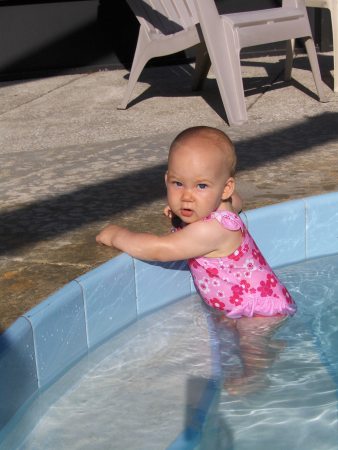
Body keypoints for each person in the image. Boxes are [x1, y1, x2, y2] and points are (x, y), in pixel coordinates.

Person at [96, 125, 296, 320]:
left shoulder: (211, 230)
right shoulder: (226, 206)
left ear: (225, 188)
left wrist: (116, 235)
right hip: (252, 304)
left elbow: (160, 249)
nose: (187, 197)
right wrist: (188, 209)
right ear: (167, 180)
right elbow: (237, 200)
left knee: (250, 353)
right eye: (178, 184)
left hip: (257, 312)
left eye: (201, 186)